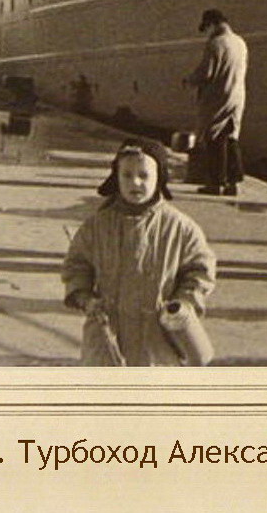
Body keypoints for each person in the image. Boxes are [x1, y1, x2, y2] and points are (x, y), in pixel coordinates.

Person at [62, 140, 217, 366]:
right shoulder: (97, 226)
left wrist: (183, 303)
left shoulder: (181, 228)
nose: (135, 182)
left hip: (158, 343)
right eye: (127, 175)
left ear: (159, 178)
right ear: (116, 177)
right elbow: (77, 266)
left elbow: (199, 271)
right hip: (107, 339)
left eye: (144, 175)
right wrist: (85, 299)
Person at [183, 9, 248, 196]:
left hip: (218, 97)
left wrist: (189, 80)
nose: (207, 32)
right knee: (231, 137)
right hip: (237, 96)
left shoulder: (215, 43)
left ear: (213, 24)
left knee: (214, 139)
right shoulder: (240, 42)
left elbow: (206, 73)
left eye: (207, 28)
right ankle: (233, 183)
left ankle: (216, 183)